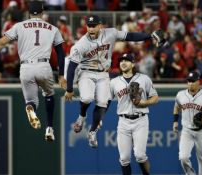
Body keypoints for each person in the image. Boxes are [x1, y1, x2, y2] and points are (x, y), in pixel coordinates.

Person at [0, 1, 67, 141]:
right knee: (49, 93)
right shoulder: (52, 28)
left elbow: (1, 42)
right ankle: (49, 129)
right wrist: (61, 75)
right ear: (42, 12)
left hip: (25, 68)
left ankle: (30, 108)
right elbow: (61, 53)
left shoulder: (20, 26)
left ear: (28, 12)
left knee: (31, 101)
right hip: (44, 66)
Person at [64, 14, 165, 148]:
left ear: (100, 26)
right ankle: (82, 117)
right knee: (87, 98)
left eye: (94, 26)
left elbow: (130, 36)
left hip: (103, 73)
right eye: (89, 26)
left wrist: (149, 36)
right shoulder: (81, 44)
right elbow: (71, 67)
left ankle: (92, 131)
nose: (91, 28)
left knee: (102, 102)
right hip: (86, 71)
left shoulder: (110, 33)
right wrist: (69, 89)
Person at [110, 54, 159, 175]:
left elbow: (155, 97)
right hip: (123, 121)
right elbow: (105, 101)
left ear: (133, 64)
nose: (123, 63)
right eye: (121, 61)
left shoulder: (144, 79)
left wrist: (144, 102)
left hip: (140, 120)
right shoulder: (114, 82)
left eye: (127, 60)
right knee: (124, 158)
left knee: (140, 155)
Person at [173, 71, 202, 174]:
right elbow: (176, 106)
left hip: (201, 131)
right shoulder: (180, 94)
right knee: (183, 158)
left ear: (198, 81)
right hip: (186, 131)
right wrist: (175, 121)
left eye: (193, 81)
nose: (190, 83)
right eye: (189, 81)